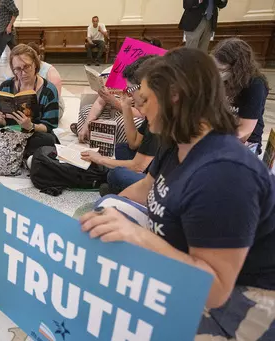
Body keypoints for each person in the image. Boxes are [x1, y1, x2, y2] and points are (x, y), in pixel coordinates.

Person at [81, 47, 275, 340]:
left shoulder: (226, 172)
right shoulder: (177, 141)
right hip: (190, 249)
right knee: (109, 206)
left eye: (145, 100)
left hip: (243, 292)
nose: (140, 108)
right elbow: (146, 187)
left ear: (175, 97)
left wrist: (138, 236)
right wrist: (101, 212)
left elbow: (215, 289)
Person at [81, 55, 160, 195]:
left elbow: (138, 166)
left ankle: (115, 185)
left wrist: (100, 159)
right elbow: (133, 143)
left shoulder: (158, 115)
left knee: (116, 175)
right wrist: (125, 107)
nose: (129, 93)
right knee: (122, 149)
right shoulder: (151, 110)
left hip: (162, 181)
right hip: (151, 167)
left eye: (130, 89)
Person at [0, 44, 59, 158]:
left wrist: (31, 126)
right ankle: (25, 156)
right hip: (10, 132)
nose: (22, 73)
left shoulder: (48, 90)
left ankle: (17, 154)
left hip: (34, 134)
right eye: (17, 69)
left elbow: (48, 126)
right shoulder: (6, 86)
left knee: (48, 140)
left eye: (27, 67)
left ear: (35, 64)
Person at [212, 38, 268, 155]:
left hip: (245, 142)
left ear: (236, 69)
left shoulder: (255, 85)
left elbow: (244, 131)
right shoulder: (220, 79)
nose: (218, 73)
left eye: (221, 69)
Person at [27, 42, 64, 118]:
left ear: (39, 56)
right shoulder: (25, 69)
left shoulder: (50, 71)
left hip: (52, 107)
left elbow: (54, 99)